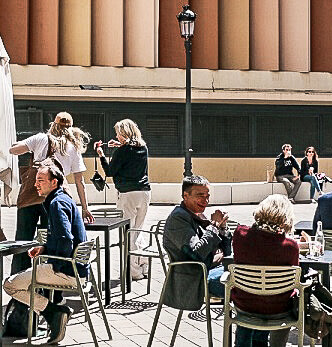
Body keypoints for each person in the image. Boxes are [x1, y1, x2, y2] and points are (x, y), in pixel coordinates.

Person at [2, 164, 89, 344]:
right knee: (23, 281)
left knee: (10, 285)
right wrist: (45, 248)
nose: (36, 185)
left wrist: (55, 264)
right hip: (76, 269)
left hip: (66, 271)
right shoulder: (63, 199)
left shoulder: (57, 204)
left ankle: (54, 312)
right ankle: (54, 313)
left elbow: (65, 239)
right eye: (35, 180)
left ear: (54, 182)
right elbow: (62, 237)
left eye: (40, 180)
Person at [9, 112, 93, 273]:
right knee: (53, 239)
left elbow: (14, 150)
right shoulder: (73, 147)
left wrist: (19, 143)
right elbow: (79, 181)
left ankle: (18, 279)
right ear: (71, 128)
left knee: (23, 239)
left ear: (53, 125)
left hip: (31, 194)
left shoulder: (40, 138)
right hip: (56, 196)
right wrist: (84, 207)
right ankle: (49, 281)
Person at [230, 195, 300, 347]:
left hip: (245, 305)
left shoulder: (240, 234)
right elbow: (294, 280)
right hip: (278, 309)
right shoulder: (291, 246)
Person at [163, 175, 233, 311]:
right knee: (247, 283)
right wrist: (214, 225)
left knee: (248, 276)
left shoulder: (198, 215)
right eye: (200, 195)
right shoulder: (178, 217)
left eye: (207, 196)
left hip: (212, 268)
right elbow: (197, 252)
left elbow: (227, 252)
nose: (205, 200)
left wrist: (223, 228)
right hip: (196, 277)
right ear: (185, 195)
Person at [94, 118, 151, 279]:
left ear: (124, 133)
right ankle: (144, 265)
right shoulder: (143, 147)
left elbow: (110, 171)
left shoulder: (123, 151)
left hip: (128, 194)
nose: (117, 137)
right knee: (139, 229)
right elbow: (130, 153)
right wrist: (120, 145)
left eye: (119, 134)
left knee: (128, 232)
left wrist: (101, 154)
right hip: (145, 192)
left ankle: (133, 272)